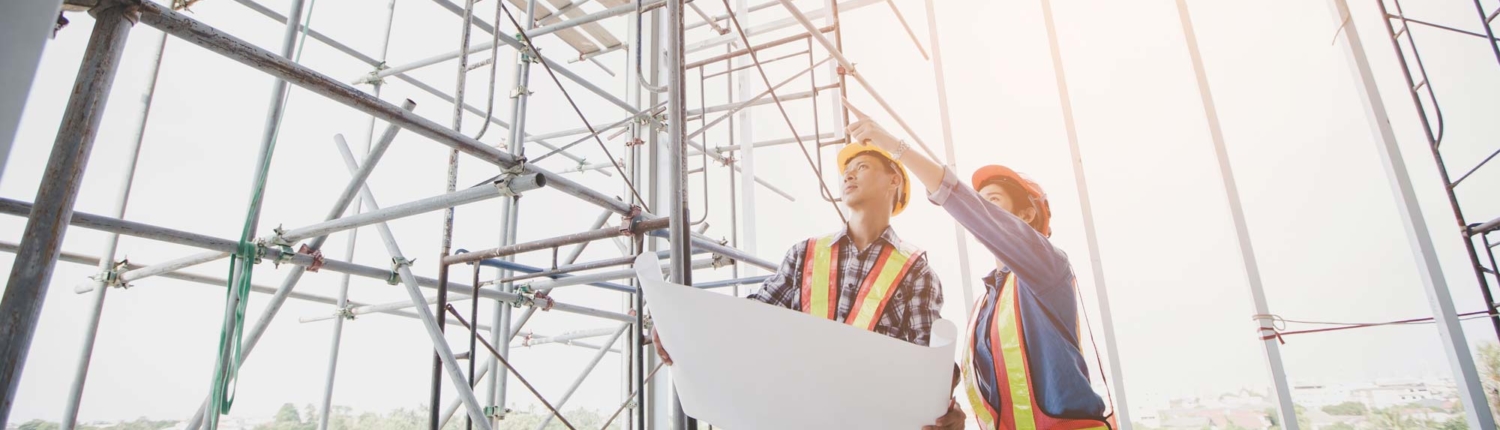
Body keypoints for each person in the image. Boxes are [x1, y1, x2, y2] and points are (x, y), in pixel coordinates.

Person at [653, 139, 959, 427]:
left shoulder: (916, 272)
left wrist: (945, 406)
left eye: (862, 167)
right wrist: (683, 324)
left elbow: (929, 361)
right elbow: (751, 318)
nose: (848, 175)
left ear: (895, 180)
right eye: (846, 172)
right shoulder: (806, 255)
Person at [847, 101, 1114, 430]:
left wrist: (895, 147)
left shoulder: (1049, 268)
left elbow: (964, 204)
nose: (981, 212)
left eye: (992, 203)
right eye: (980, 203)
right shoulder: (985, 306)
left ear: (1027, 215)